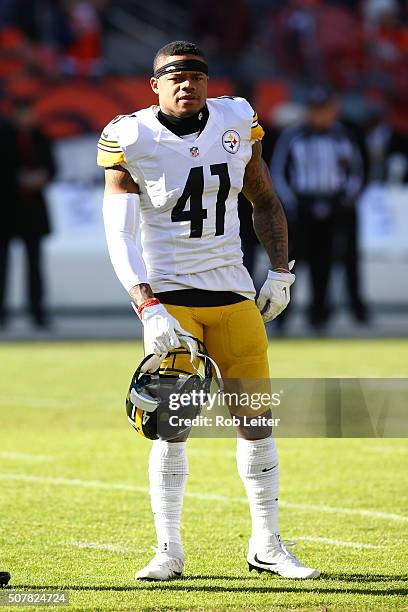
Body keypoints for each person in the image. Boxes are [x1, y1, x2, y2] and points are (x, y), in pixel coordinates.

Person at [97, 40, 319, 581]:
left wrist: (282, 271)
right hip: (172, 301)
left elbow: (263, 199)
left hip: (233, 293)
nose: (186, 83)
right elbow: (119, 232)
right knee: (172, 427)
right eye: (174, 75)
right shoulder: (131, 135)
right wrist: (147, 306)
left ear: (208, 81)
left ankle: (266, 543)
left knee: (257, 425)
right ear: (155, 84)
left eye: (195, 75)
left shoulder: (237, 119)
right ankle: (168, 550)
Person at [271, 85, 368, 330]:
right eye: (315, 110)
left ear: (333, 110)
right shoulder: (293, 135)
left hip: (334, 206)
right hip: (301, 207)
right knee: (289, 264)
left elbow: (357, 172)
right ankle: (280, 317)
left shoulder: (344, 136)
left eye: (324, 110)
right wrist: (293, 204)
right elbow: (278, 172)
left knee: (324, 264)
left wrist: (344, 201)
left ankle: (319, 316)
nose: (320, 116)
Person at [0, 99, 55, 329]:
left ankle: (38, 313)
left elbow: (52, 168)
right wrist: (18, 179)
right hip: (6, 211)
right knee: (2, 266)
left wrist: (40, 177)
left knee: (35, 266)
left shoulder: (41, 138)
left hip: (32, 213)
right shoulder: (4, 137)